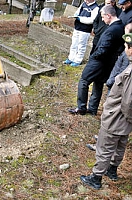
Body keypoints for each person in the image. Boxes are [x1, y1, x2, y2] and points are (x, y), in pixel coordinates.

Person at [80, 32, 132, 189]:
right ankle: (112, 170)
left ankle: (96, 178)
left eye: (126, 47)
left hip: (117, 118)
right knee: (120, 144)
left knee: (105, 147)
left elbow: (128, 103)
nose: (124, 49)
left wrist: (129, 118)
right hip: (124, 122)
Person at [68, 5, 125, 116]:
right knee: (98, 84)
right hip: (110, 62)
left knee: (84, 81)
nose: (102, 20)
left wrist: (93, 56)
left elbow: (103, 49)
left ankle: (81, 108)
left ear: (109, 15)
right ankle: (93, 109)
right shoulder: (121, 26)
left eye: (103, 17)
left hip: (99, 61)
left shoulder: (111, 30)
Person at [85, 22, 132, 151]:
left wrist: (113, 81)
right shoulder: (125, 51)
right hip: (115, 84)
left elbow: (122, 73)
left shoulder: (130, 59)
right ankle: (101, 139)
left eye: (126, 32)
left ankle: (102, 146)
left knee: (111, 121)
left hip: (119, 91)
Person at [63, 0, 99, 67]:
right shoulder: (83, 4)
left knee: (81, 45)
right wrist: (76, 16)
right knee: (74, 44)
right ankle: (71, 58)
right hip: (77, 27)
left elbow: (92, 20)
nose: (86, 1)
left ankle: (77, 60)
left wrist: (81, 19)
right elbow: (78, 12)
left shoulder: (95, 8)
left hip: (85, 30)